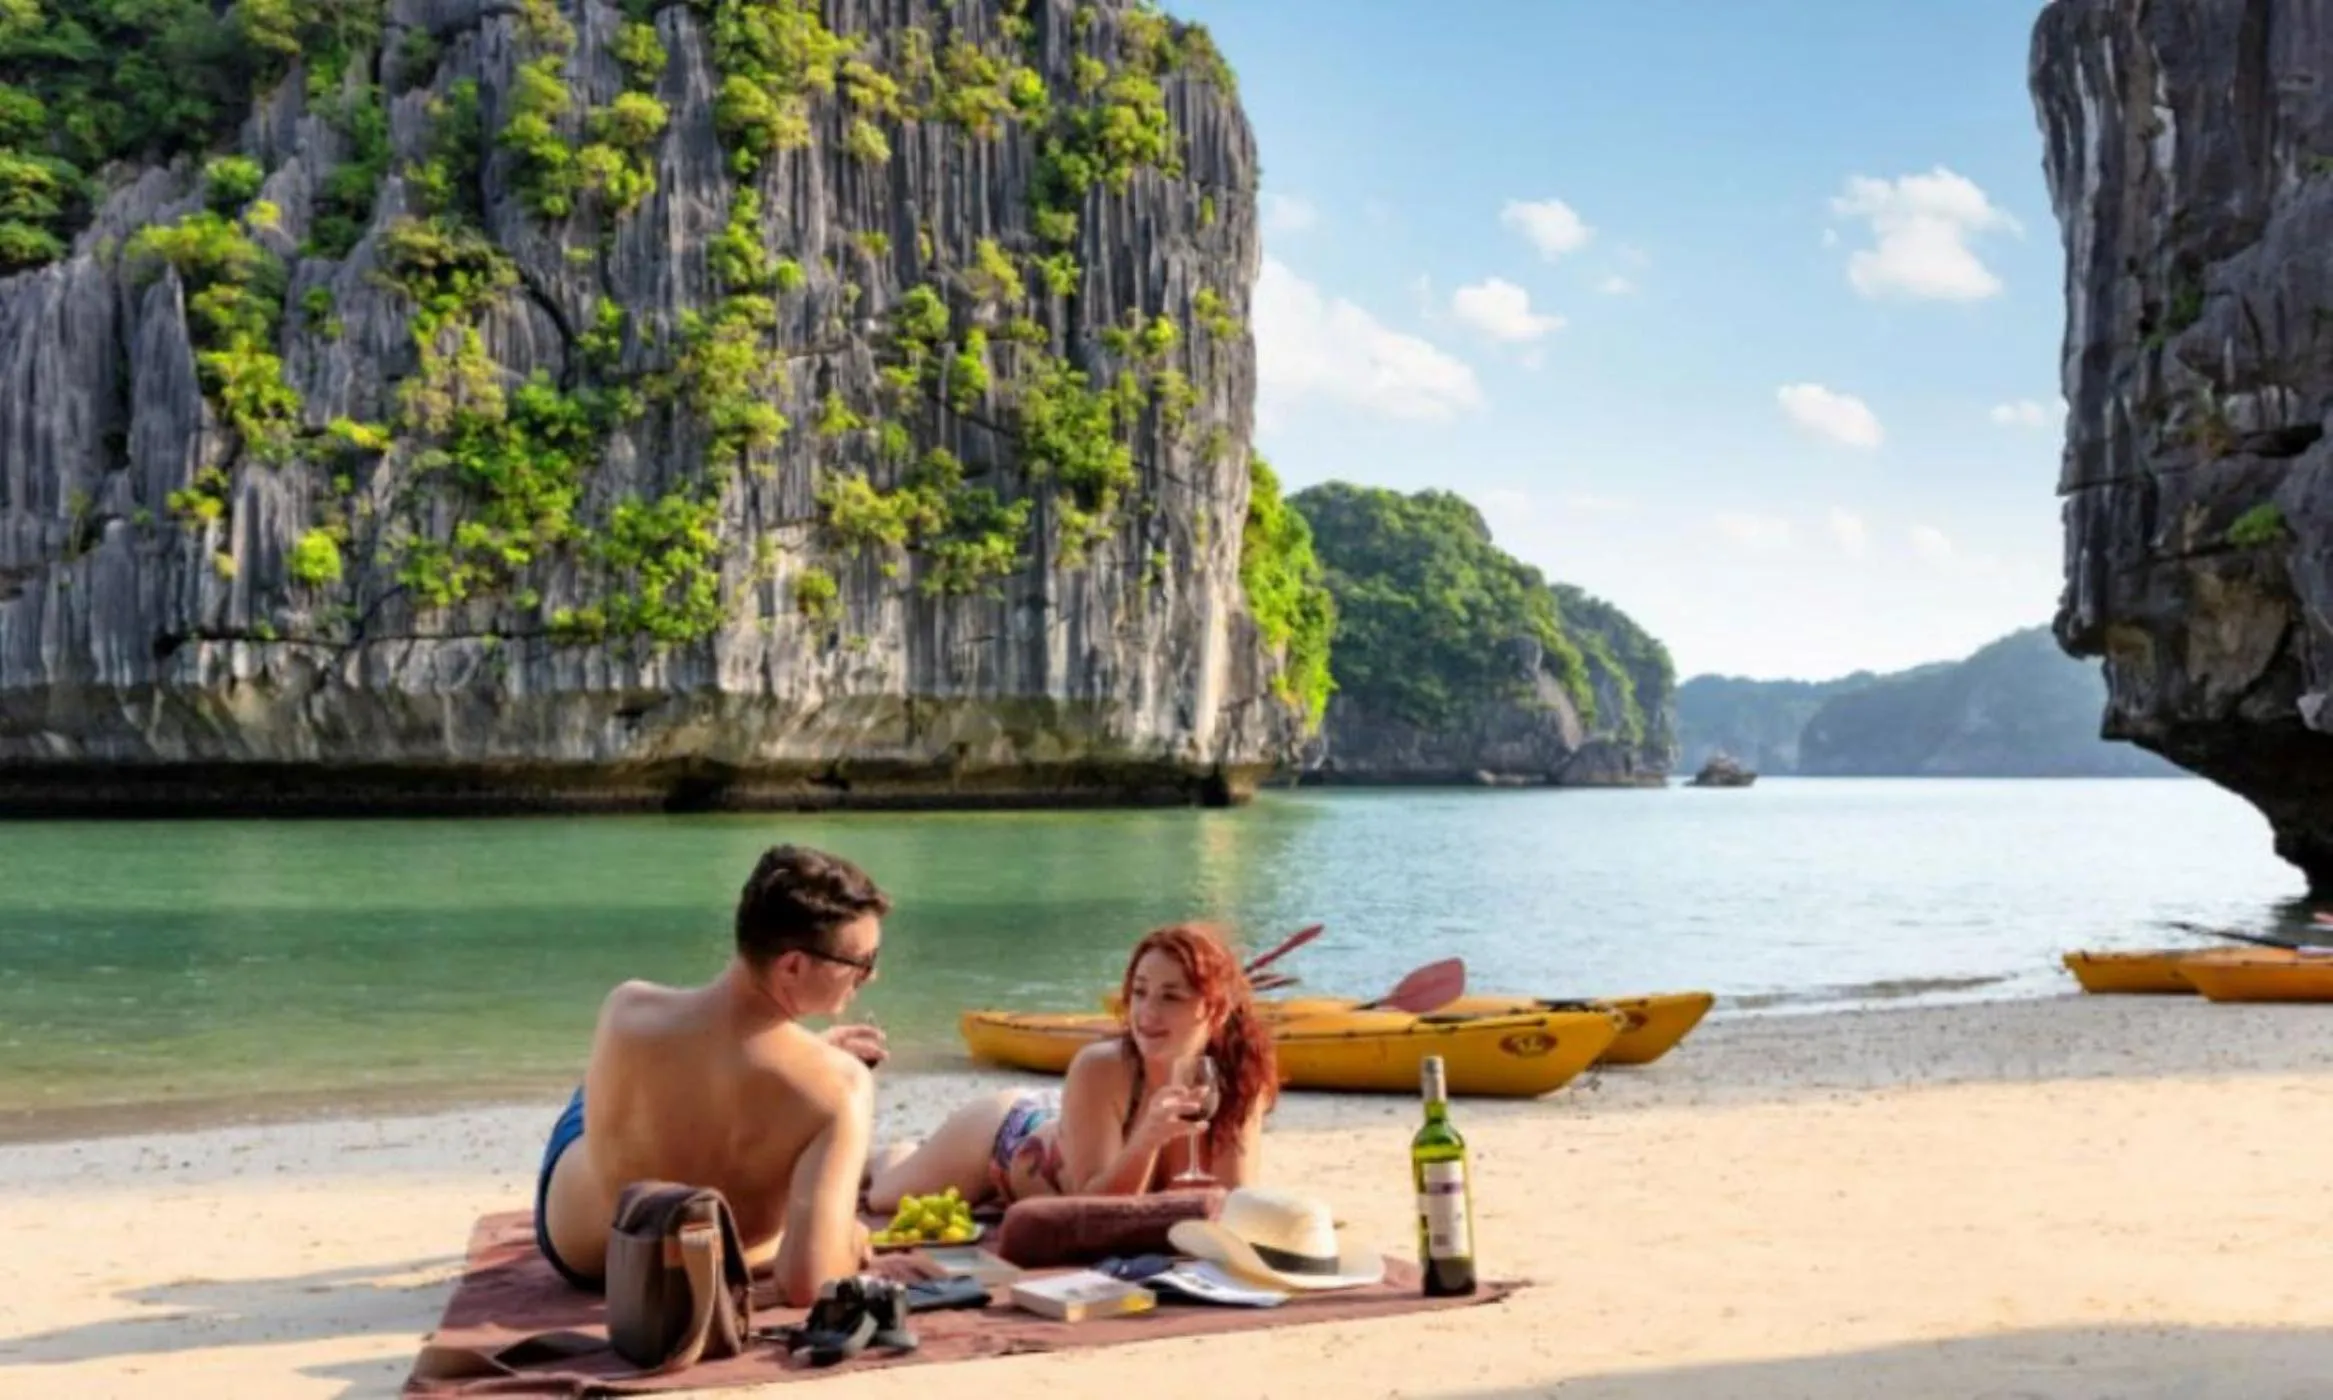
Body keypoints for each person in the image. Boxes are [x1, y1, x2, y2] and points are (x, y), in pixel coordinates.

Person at [534, 844, 894, 1307]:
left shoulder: (627, 1008)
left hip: (583, 1250)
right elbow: (809, 1283)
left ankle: (765, 1057)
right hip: (708, 1252)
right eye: (862, 964)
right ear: (793, 965)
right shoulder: (841, 1087)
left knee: (619, 1083)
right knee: (792, 1107)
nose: (872, 975)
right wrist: (848, 1237)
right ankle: (777, 1060)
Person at [867, 922, 1278, 1210]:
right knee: (884, 1197)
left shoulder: (1239, 1082)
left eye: (1171, 997)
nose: (1147, 1013)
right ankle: (891, 1154)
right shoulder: (1102, 1067)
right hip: (1006, 1133)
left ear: (1216, 1010)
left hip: (1073, 1121)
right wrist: (1147, 1139)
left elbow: (1232, 1200)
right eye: (1139, 992)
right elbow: (1094, 1207)